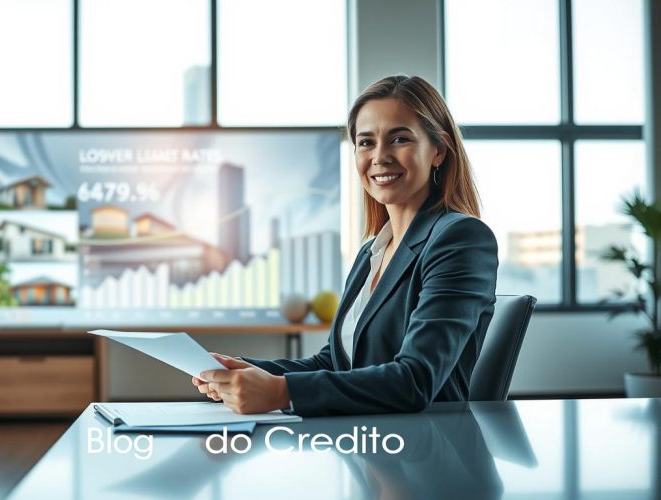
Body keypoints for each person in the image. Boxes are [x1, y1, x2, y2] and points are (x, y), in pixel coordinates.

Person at [192, 75, 499, 416]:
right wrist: (248, 371)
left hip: (423, 449)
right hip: (367, 444)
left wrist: (281, 392)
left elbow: (415, 380)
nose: (380, 157)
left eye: (399, 139)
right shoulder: (372, 251)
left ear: (438, 150)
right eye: (366, 143)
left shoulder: (461, 238)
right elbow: (336, 362)